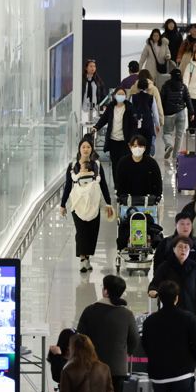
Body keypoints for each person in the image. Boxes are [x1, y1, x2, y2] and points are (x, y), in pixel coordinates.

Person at [77, 274, 139, 392]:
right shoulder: (126, 314)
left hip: (91, 368)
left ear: (104, 290)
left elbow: (80, 338)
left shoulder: (89, 311)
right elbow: (134, 341)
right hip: (117, 369)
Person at [59, 137, 114, 273]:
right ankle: (83, 260)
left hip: (94, 204)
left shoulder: (97, 165)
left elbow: (103, 185)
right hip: (77, 204)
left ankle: (87, 258)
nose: (85, 149)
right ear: (79, 149)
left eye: (88, 147)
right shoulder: (73, 166)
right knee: (81, 232)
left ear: (91, 149)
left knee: (92, 232)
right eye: (83, 147)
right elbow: (67, 187)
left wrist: (108, 203)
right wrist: (62, 204)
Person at [148, 236, 196, 321]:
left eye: (186, 247)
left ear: (189, 251)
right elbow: (154, 284)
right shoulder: (165, 267)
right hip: (169, 313)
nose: (183, 250)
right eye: (180, 246)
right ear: (174, 249)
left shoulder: (195, 268)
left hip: (190, 312)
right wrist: (153, 291)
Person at [91, 87, 137, 184]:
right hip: (113, 141)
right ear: (115, 95)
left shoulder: (129, 107)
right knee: (115, 164)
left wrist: (132, 140)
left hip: (125, 141)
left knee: (125, 164)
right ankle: (117, 186)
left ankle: (125, 185)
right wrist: (96, 127)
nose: (120, 96)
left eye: (122, 94)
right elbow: (104, 119)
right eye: (119, 94)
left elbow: (134, 125)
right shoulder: (111, 107)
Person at [114, 135, 163, 203]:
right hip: (127, 199)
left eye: (140, 146)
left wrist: (157, 196)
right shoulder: (123, 163)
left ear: (145, 148)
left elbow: (158, 182)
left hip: (148, 200)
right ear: (130, 147)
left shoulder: (151, 163)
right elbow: (119, 182)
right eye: (135, 146)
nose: (137, 148)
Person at [160, 69, 194, 159]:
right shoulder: (183, 86)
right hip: (181, 113)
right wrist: (192, 113)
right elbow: (188, 99)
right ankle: (176, 156)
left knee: (167, 133)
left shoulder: (166, 86)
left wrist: (161, 113)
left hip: (168, 113)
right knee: (179, 135)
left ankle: (169, 145)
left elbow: (161, 99)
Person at [129, 78, 161, 156]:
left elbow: (130, 112)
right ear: (147, 87)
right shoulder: (151, 97)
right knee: (147, 146)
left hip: (136, 125)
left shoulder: (133, 97)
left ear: (138, 86)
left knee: (137, 145)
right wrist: (157, 125)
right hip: (148, 124)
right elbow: (155, 113)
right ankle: (147, 158)